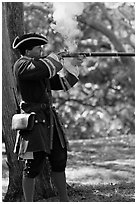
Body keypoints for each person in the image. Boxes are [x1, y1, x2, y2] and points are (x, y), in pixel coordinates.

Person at [12, 33, 79, 202]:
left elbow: (64, 83)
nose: (41, 50)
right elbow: (46, 67)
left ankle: (64, 200)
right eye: (38, 48)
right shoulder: (22, 65)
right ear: (27, 51)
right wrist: (57, 58)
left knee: (59, 159)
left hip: (49, 120)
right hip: (34, 121)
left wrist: (72, 64)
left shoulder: (40, 66)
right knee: (33, 166)